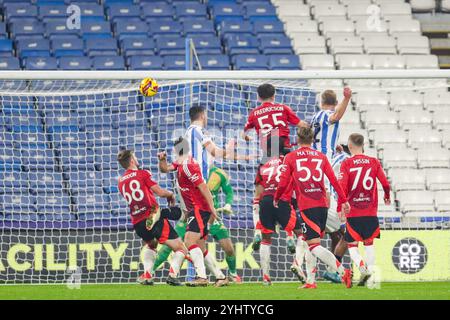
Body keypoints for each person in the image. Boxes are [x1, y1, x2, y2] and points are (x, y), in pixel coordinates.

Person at [274, 127, 353, 289]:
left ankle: (342, 271)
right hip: (322, 205)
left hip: (307, 205)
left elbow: (283, 182)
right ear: (312, 140)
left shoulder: (290, 157)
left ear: (298, 139)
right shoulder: (321, 156)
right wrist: (343, 200)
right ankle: (311, 280)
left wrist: (277, 197)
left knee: (313, 245)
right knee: (311, 241)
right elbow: (333, 181)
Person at [242, 83, 308, 251]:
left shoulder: (254, 112)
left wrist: (248, 137)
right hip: (285, 153)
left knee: (261, 192)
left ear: (258, 97)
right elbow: (301, 125)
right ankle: (290, 234)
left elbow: (245, 132)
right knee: (289, 192)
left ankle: (258, 230)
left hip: (267, 155)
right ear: (274, 95)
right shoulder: (282, 108)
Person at [158, 137, 229, 287]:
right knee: (201, 246)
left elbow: (204, 187)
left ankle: (202, 278)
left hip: (199, 208)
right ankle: (220, 277)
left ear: (175, 150)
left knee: (189, 241)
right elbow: (165, 169)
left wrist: (212, 209)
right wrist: (162, 160)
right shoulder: (181, 162)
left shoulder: (189, 166)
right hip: (194, 209)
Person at [117, 149, 186, 286]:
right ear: (132, 160)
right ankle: (173, 275)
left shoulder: (120, 182)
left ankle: (148, 275)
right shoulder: (143, 174)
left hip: (138, 223)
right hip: (152, 217)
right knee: (181, 248)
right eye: (135, 156)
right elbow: (160, 193)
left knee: (152, 244)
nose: (136, 159)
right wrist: (171, 195)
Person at [254, 135, 310, 286]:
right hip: (282, 201)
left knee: (266, 239)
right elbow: (296, 183)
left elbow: (258, 193)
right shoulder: (288, 161)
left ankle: (265, 277)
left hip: (265, 201)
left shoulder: (263, 165)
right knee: (302, 234)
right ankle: (296, 263)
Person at [338, 133, 391, 286]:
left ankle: (361, 266)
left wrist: (342, 205)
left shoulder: (347, 163)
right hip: (370, 211)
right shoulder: (373, 162)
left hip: (353, 211)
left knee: (352, 245)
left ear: (350, 146)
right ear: (363, 145)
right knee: (369, 243)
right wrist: (386, 196)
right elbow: (385, 184)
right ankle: (369, 276)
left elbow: (342, 186)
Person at [322, 146, 351, 284]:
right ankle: (333, 270)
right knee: (349, 234)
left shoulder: (331, 159)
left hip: (324, 201)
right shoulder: (346, 159)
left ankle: (331, 269)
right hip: (334, 203)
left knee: (336, 236)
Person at [207, 164, 241, 283]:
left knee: (229, 249)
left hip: (213, 215)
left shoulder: (218, 173)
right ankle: (150, 273)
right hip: (195, 214)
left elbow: (229, 192)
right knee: (177, 243)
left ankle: (233, 273)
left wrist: (228, 204)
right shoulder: (192, 169)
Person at [311, 88, 352, 161]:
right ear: (336, 103)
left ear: (322, 102)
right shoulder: (327, 114)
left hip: (313, 155)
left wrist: (335, 144)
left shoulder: (315, 116)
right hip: (326, 156)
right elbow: (336, 116)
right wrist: (346, 98)